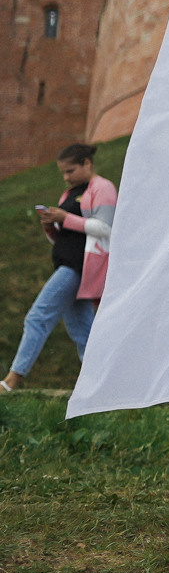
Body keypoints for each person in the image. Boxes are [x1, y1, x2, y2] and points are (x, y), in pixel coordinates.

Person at [3, 143, 114, 393]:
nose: (66, 177)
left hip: (80, 267)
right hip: (68, 262)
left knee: (37, 317)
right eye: (63, 172)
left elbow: (106, 228)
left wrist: (65, 218)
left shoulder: (103, 188)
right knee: (82, 331)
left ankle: (12, 380)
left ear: (87, 163)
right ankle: (104, 386)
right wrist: (51, 227)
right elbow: (65, 236)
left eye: (70, 171)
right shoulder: (69, 193)